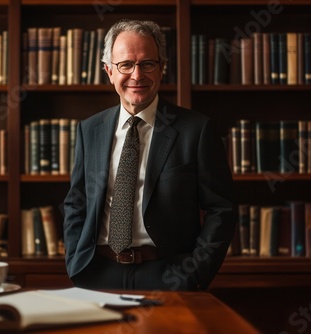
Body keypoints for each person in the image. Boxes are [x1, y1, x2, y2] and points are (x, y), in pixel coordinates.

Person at [63, 19, 234, 291]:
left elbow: (221, 209)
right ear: (108, 71)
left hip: (169, 275)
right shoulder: (89, 129)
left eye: (147, 64)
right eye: (126, 64)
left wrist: (195, 272)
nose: (137, 75)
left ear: (161, 68)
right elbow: (76, 201)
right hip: (97, 273)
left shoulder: (196, 130)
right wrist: (75, 259)